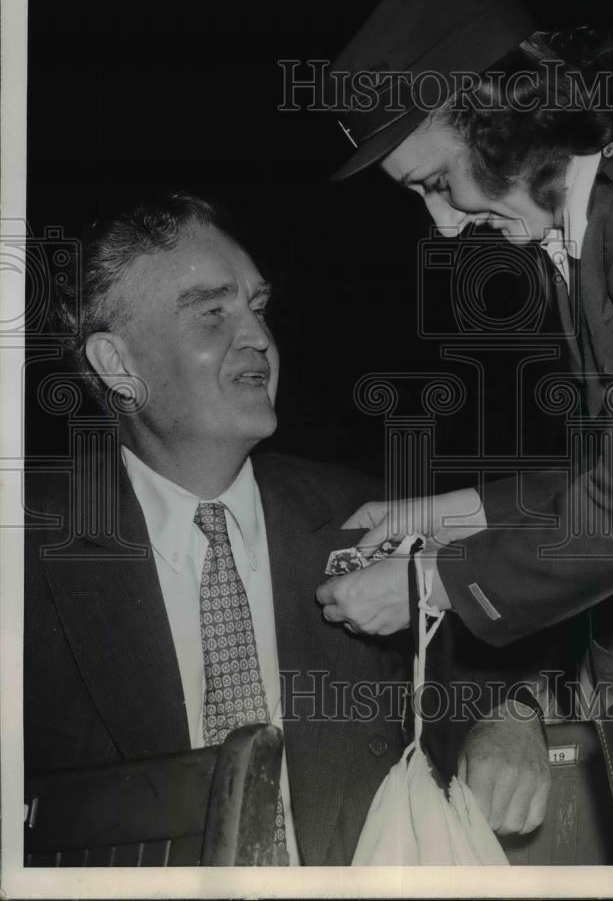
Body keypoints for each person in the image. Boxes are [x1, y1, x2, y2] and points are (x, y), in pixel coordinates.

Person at [24, 192, 550, 865]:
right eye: (213, 313)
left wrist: (512, 715)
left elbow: (491, 650)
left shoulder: (361, 518)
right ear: (117, 364)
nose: (258, 339)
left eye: (259, 308)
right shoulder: (28, 550)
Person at [316, 0, 613, 701]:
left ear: (501, 122)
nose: (445, 225)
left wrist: (431, 582)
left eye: (438, 182)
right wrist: (446, 516)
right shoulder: (589, 223)